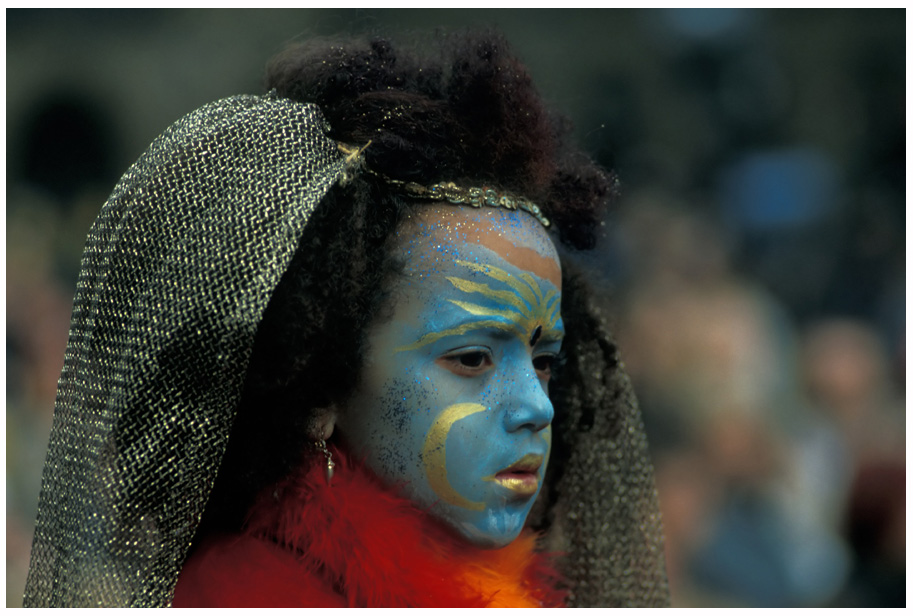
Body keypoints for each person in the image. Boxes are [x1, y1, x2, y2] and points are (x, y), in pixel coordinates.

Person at [23, 32, 668, 607]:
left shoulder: (505, 589)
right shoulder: (243, 598)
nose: (536, 406)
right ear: (320, 384)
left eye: (544, 360)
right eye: (471, 357)